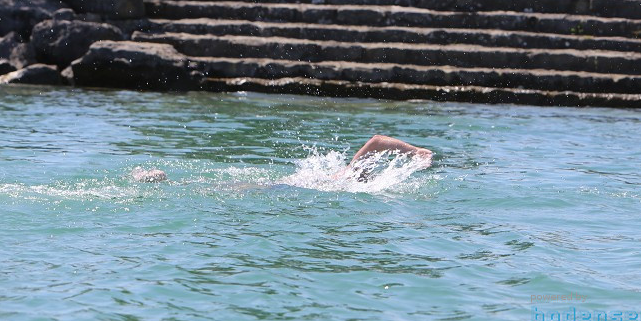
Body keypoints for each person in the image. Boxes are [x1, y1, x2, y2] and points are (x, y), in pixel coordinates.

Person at [129, 135, 433, 184]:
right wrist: (417, 152)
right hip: (291, 187)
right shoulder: (354, 176)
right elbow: (378, 141)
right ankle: (165, 182)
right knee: (228, 188)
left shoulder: (353, 178)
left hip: (293, 185)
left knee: (230, 187)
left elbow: (379, 144)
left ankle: (165, 182)